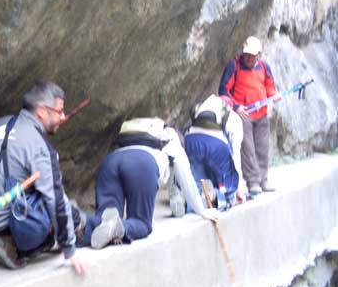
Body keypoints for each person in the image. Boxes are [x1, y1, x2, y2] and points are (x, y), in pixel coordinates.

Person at [0, 81, 85, 274]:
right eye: (59, 111)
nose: (63, 117)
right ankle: (17, 247)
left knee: (41, 193)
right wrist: (69, 249)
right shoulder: (39, 145)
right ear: (41, 111)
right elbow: (55, 199)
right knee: (71, 217)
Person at [76, 118, 218, 249]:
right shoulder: (173, 140)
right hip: (142, 164)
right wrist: (202, 211)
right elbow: (186, 178)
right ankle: (119, 228)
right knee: (141, 223)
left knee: (103, 218)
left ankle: (79, 222)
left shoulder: (147, 135)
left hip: (111, 162)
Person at [219, 36, 281, 195]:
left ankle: (263, 179)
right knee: (248, 148)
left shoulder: (264, 67)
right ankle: (253, 182)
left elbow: (270, 86)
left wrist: (274, 95)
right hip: (243, 114)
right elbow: (224, 91)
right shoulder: (234, 66)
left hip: (261, 113)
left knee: (262, 147)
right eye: (246, 54)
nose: (248, 58)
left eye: (252, 55)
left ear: (258, 55)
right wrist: (236, 106)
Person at [184, 94, 246, 212]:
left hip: (190, 140)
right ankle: (220, 198)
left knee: (195, 177)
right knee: (228, 181)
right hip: (216, 144)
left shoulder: (204, 105)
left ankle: (188, 201)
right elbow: (234, 155)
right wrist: (238, 189)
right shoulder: (234, 118)